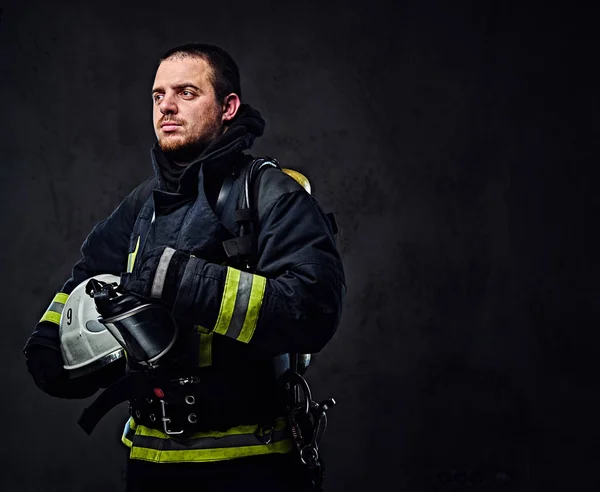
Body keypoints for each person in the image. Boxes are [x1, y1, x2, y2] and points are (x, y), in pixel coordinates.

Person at [23, 43, 345, 491]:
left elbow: (314, 310)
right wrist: (48, 341)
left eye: (187, 92)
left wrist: (181, 280)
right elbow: (87, 277)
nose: (167, 106)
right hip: (151, 464)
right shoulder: (141, 206)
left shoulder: (271, 194)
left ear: (228, 106)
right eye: (158, 96)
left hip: (252, 466)